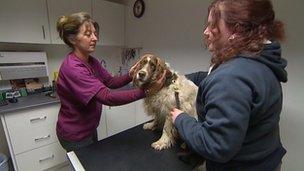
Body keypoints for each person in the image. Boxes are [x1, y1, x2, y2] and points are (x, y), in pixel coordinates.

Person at [170, 0, 287, 170]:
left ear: (237, 29)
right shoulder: (260, 62)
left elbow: (216, 146)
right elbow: (214, 78)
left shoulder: (230, 78)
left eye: (212, 25)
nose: (206, 31)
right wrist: (177, 78)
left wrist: (181, 119)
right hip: (267, 161)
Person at [55, 12, 162, 152]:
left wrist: (133, 73)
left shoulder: (91, 61)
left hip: (89, 128)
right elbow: (107, 97)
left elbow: (110, 82)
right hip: (75, 134)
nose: (95, 38)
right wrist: (147, 92)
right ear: (72, 38)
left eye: (95, 33)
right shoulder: (73, 68)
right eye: (88, 34)